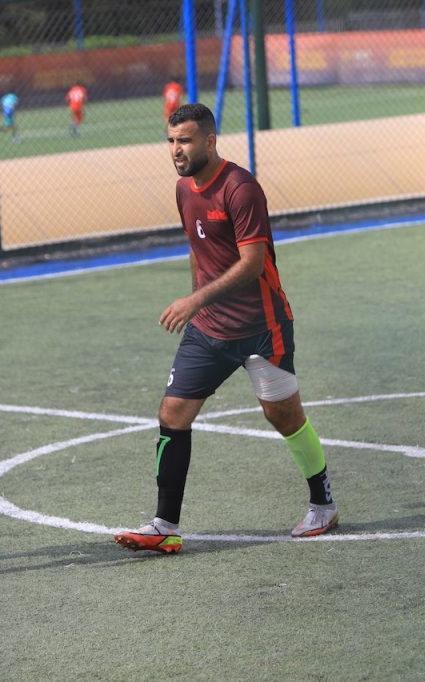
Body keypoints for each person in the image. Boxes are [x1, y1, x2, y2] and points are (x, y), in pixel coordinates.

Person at [113, 103, 339, 554]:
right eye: (171, 141)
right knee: (172, 414)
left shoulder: (241, 188)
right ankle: (164, 525)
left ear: (211, 141)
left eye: (185, 140)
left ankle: (323, 503)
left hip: (262, 327)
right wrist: (198, 302)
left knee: (283, 416)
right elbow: (198, 249)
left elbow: (253, 263)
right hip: (209, 330)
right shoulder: (183, 189)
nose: (176, 150)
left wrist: (195, 299)